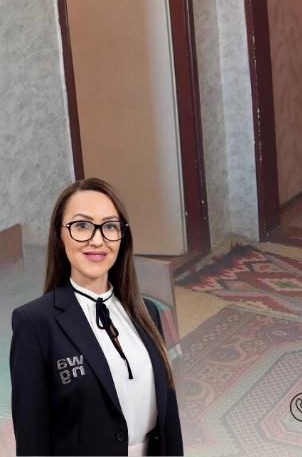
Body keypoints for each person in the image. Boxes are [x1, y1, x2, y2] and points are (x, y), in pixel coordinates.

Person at [9, 178, 184, 456]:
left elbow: (169, 419)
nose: (98, 240)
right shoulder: (34, 323)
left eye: (110, 226)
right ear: (59, 235)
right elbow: (32, 440)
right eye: (82, 225)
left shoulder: (147, 312)